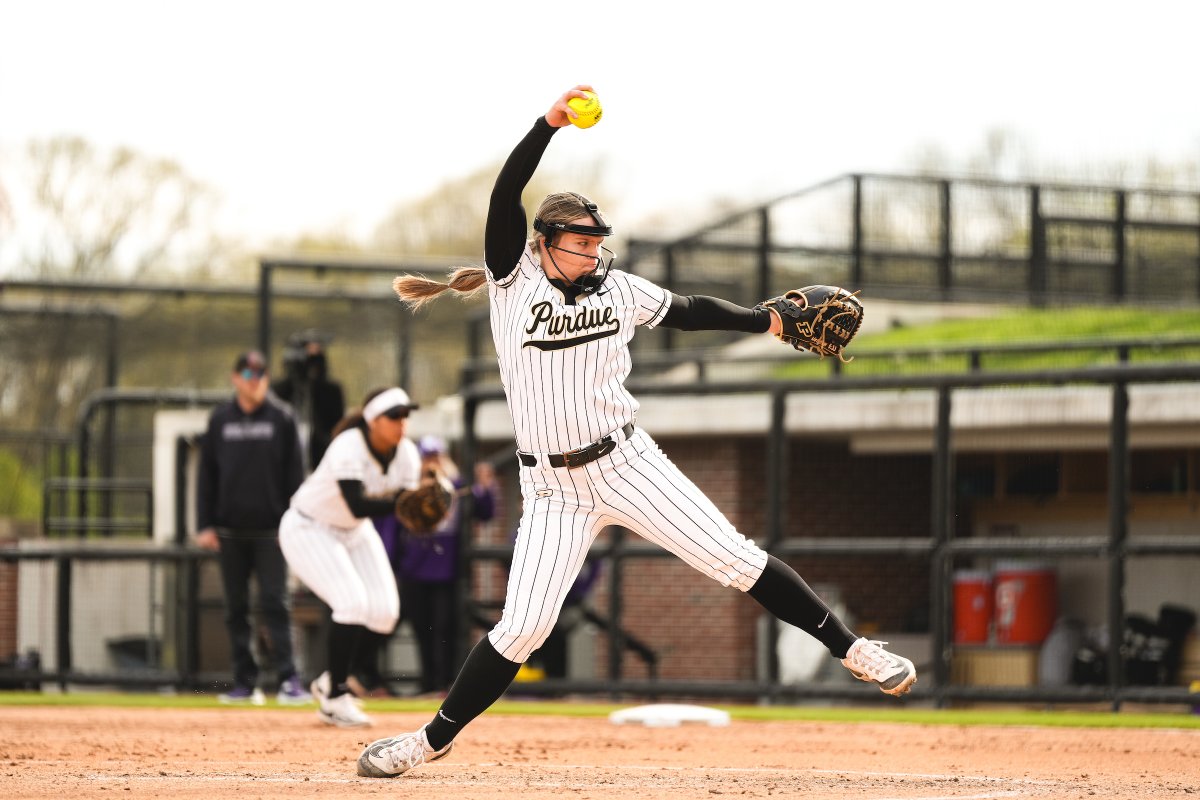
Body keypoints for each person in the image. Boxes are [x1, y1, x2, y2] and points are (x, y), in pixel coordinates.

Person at [357, 85, 916, 778]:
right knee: (523, 628)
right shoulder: (513, 281)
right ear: (543, 244)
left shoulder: (618, 291)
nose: (593, 253)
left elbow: (688, 310)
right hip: (552, 489)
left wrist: (766, 321)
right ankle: (428, 742)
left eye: (598, 242)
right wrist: (548, 124)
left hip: (627, 463)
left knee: (735, 560)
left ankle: (857, 651)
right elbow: (506, 195)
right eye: (580, 242)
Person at [278, 386, 421, 728]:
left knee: (385, 613)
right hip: (309, 526)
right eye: (393, 416)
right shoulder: (349, 445)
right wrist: (405, 502)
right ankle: (336, 697)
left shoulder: (407, 455)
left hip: (353, 530)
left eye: (405, 415)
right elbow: (357, 502)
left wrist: (422, 509)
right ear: (372, 420)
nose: (401, 423)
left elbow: (405, 509)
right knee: (353, 604)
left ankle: (331, 680)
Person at [196, 350, 310, 706]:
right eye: (247, 373)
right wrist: (205, 524)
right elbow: (206, 477)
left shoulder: (281, 418)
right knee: (235, 609)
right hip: (229, 531)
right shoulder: (220, 420)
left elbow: (296, 475)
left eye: (260, 374)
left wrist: (294, 523)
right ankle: (246, 683)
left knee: (276, 604)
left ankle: (289, 680)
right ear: (235, 378)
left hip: (272, 533)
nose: (254, 380)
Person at [351, 437, 500, 698]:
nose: (432, 463)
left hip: (447, 574)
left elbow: (485, 511)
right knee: (413, 628)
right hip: (413, 573)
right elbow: (391, 529)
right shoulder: (410, 490)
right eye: (427, 457)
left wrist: (487, 487)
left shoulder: (456, 487)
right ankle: (403, 683)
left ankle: (443, 685)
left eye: (437, 456)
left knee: (445, 629)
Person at [272, 331, 346, 470]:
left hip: (321, 460)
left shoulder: (330, 391)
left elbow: (337, 427)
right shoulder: (280, 390)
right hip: (286, 462)